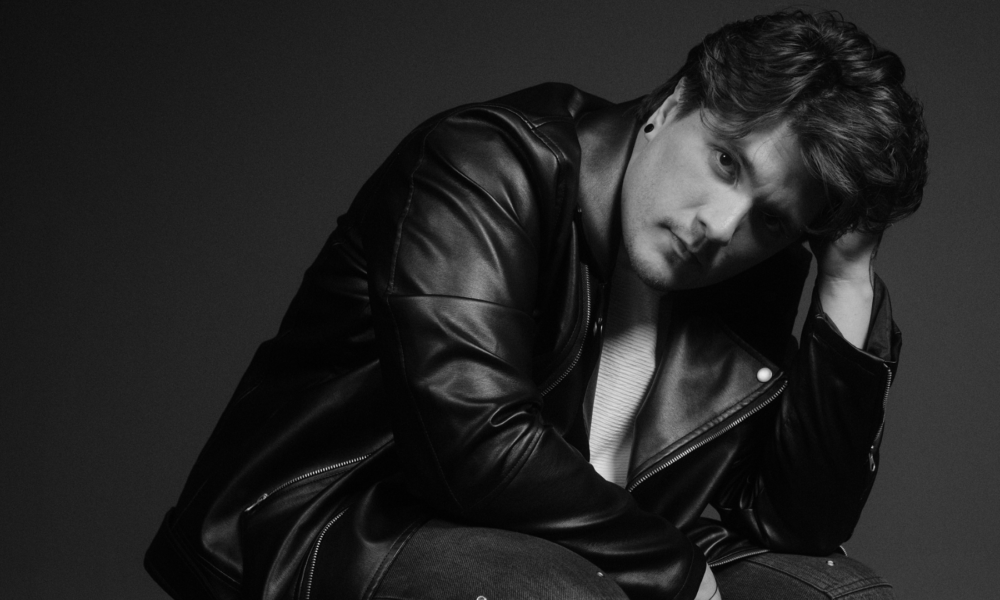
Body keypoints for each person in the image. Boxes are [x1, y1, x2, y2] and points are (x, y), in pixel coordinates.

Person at [145, 10, 927, 600]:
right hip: (355, 525)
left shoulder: (749, 272)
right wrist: (678, 573)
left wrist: (847, 277)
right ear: (674, 103)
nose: (720, 227)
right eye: (726, 162)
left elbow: (797, 524)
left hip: (602, 543)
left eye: (771, 219)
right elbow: (473, 442)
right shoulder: (486, 164)